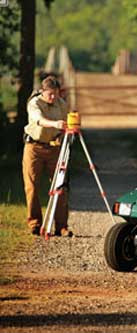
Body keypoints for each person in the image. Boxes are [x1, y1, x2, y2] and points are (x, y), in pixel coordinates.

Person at [22, 75, 72, 237]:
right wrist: (54, 124)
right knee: (32, 185)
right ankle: (35, 223)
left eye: (56, 94)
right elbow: (38, 120)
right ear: (42, 91)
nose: (53, 97)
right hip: (34, 147)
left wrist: (67, 130)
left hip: (54, 148)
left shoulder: (61, 104)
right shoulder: (34, 103)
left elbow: (66, 122)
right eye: (50, 94)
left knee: (60, 186)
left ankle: (61, 226)